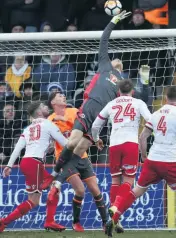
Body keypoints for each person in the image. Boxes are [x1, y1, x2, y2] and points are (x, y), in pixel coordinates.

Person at [46, 11, 150, 188]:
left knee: (79, 152)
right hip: (90, 107)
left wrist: (145, 82)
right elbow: (104, 41)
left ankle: (57, 182)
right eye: (114, 58)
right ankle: (55, 172)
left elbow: (140, 100)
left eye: (118, 60)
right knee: (72, 143)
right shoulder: (105, 66)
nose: (115, 59)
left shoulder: (124, 84)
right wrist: (113, 21)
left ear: (122, 66)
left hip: (101, 118)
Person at [105, 86, 176, 237]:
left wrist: (144, 157)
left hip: (152, 161)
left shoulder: (155, 114)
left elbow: (143, 137)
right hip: (169, 162)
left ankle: (116, 214)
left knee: (137, 191)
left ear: (165, 99)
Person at [43, 92, 108, 232]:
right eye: (59, 96)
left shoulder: (74, 112)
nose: (63, 97)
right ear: (53, 103)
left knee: (96, 190)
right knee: (80, 190)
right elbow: (48, 139)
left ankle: (105, 222)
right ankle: (76, 222)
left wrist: (65, 120)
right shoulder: (49, 119)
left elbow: (84, 127)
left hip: (81, 156)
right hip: (65, 159)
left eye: (63, 95)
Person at [92, 79, 151, 231]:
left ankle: (112, 221)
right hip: (130, 144)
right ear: (132, 91)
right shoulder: (138, 103)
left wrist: (97, 139)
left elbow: (95, 125)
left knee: (115, 181)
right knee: (129, 181)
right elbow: (151, 121)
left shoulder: (111, 104)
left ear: (118, 92)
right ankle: (116, 209)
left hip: (114, 145)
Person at [0, 101, 68, 233]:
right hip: (35, 163)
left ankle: (49, 221)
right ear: (38, 112)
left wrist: (9, 166)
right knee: (34, 200)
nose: (46, 107)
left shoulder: (28, 128)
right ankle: (3, 222)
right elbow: (65, 143)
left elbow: (17, 148)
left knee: (55, 187)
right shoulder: (48, 124)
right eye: (43, 107)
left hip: (26, 162)